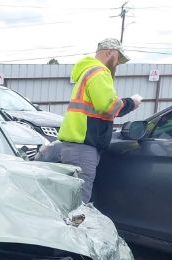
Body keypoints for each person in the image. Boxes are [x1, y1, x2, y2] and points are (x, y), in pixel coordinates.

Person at [41, 39, 142, 203]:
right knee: (79, 201)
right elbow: (107, 105)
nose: (117, 64)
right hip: (83, 146)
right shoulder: (99, 72)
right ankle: (75, 229)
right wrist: (132, 103)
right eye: (118, 59)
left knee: (71, 198)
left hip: (76, 145)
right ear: (110, 53)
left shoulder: (88, 71)